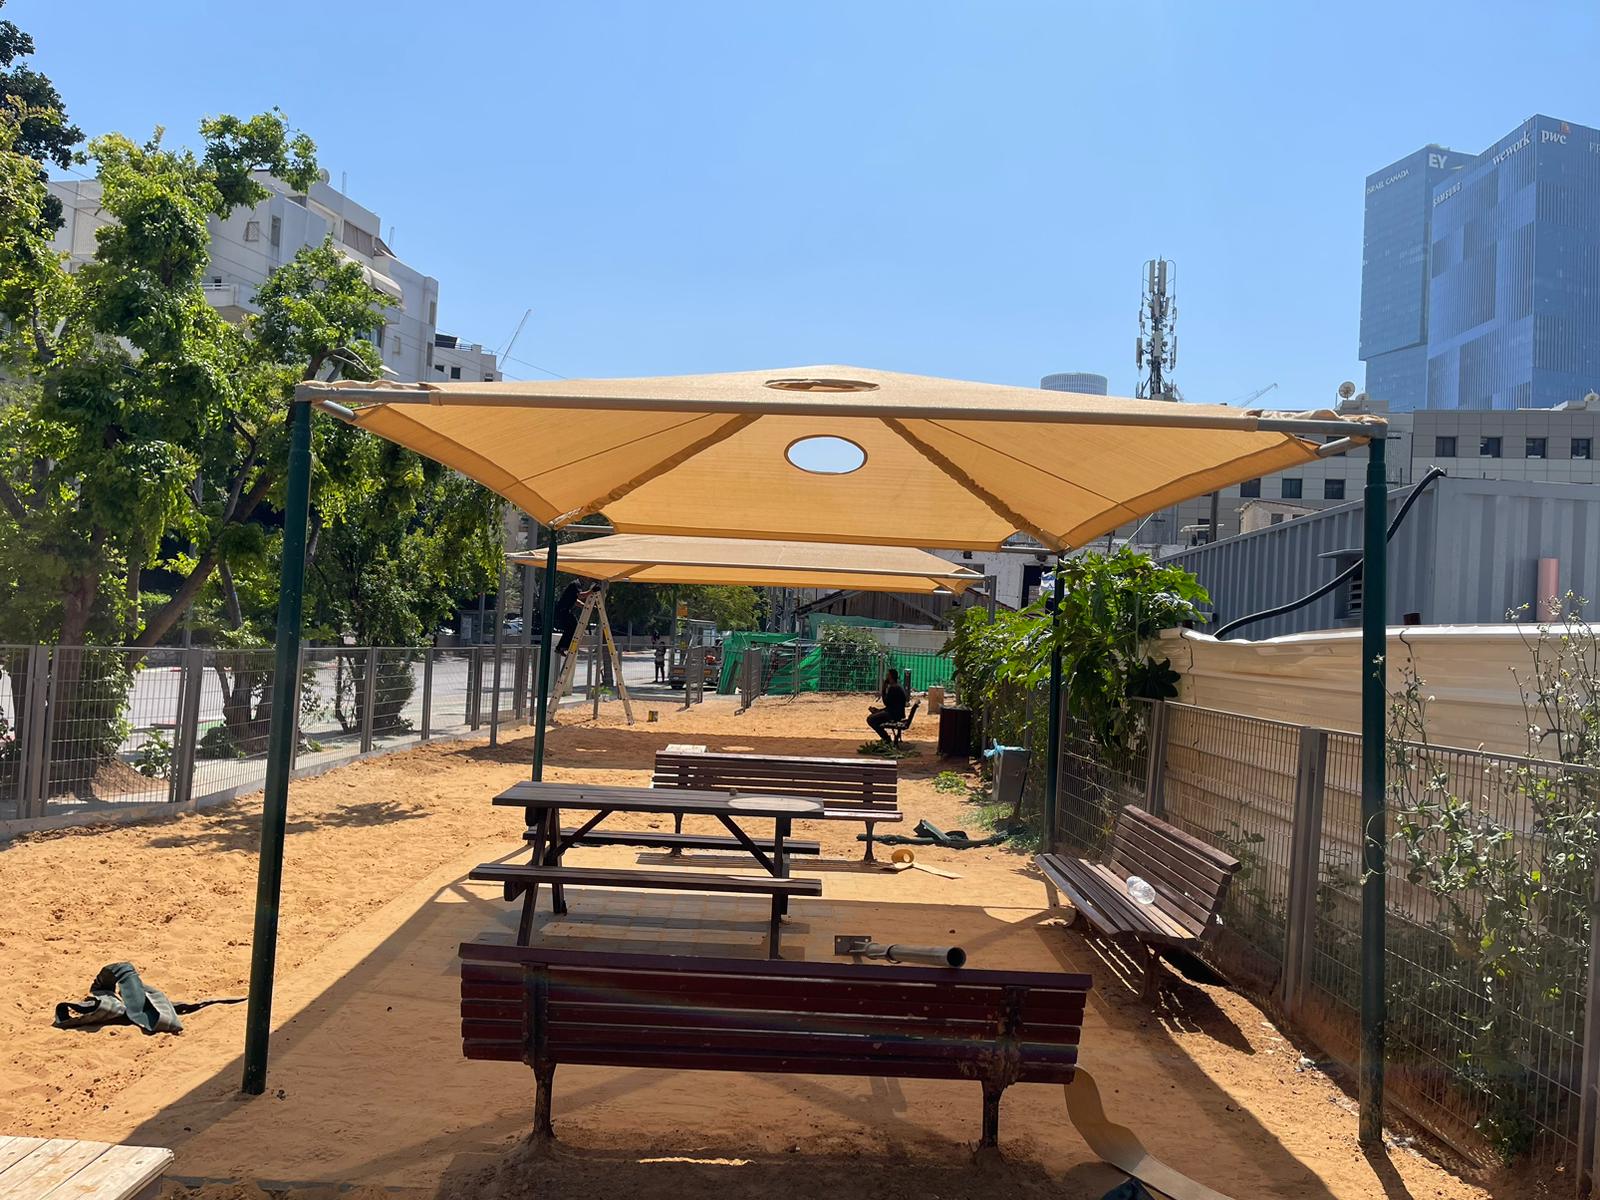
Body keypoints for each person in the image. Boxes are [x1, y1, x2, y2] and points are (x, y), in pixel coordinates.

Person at [867, 668, 908, 744]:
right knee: (874, 716)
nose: (886, 677)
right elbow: (891, 705)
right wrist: (878, 711)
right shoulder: (897, 686)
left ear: (890, 676)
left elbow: (886, 703)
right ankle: (885, 738)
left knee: (870, 719)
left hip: (894, 715)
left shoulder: (893, 688)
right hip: (896, 713)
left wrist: (883, 690)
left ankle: (886, 739)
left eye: (887, 675)